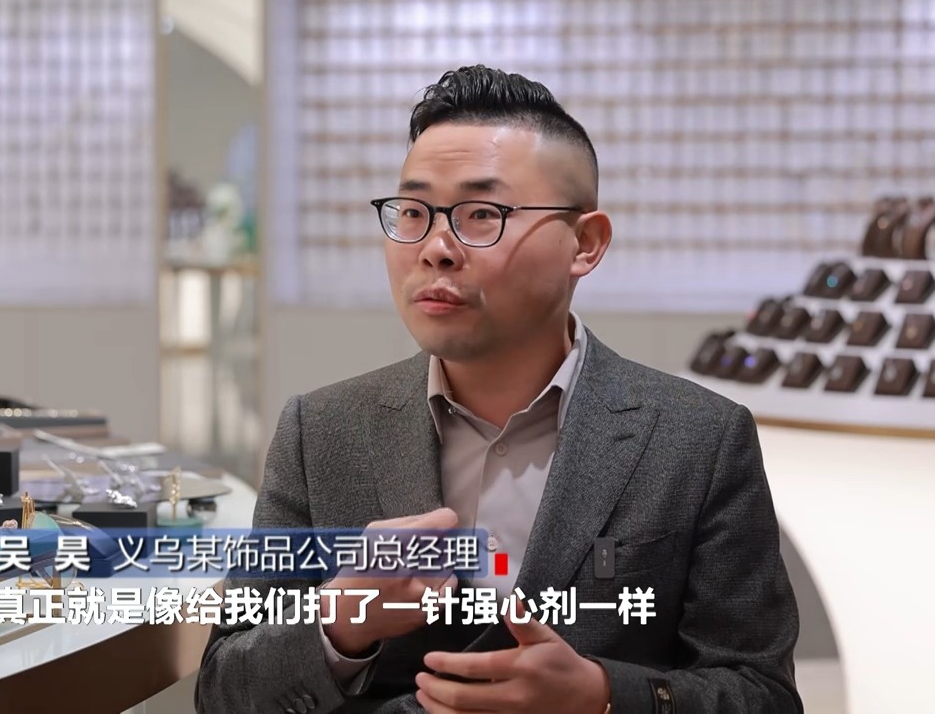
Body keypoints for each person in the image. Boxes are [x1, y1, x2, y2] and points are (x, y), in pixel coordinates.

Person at [196, 65, 802, 714]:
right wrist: (340, 624)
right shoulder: (323, 431)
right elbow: (223, 693)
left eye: (482, 214)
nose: (436, 248)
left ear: (585, 243)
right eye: (413, 212)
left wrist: (602, 695)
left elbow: (761, 693)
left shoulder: (697, 439)